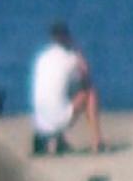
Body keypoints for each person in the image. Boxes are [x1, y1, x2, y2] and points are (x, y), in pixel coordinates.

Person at [28, 21, 106, 157]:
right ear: (67, 37)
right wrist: (78, 53)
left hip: (40, 123)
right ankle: (97, 141)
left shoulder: (42, 57)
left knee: (61, 91)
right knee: (89, 92)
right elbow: (85, 77)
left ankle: (59, 140)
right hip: (57, 119)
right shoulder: (70, 58)